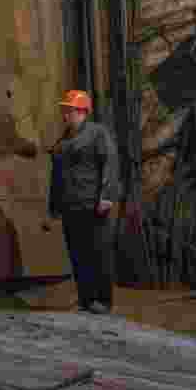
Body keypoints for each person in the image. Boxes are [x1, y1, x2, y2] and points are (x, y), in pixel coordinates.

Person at [46, 90, 120, 314]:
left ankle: (103, 301)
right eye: (64, 111)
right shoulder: (64, 140)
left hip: (93, 205)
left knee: (98, 253)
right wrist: (54, 205)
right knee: (78, 255)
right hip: (71, 206)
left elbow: (110, 163)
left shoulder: (97, 134)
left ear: (82, 112)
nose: (65, 115)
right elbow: (56, 175)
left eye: (69, 110)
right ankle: (85, 300)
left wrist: (107, 195)